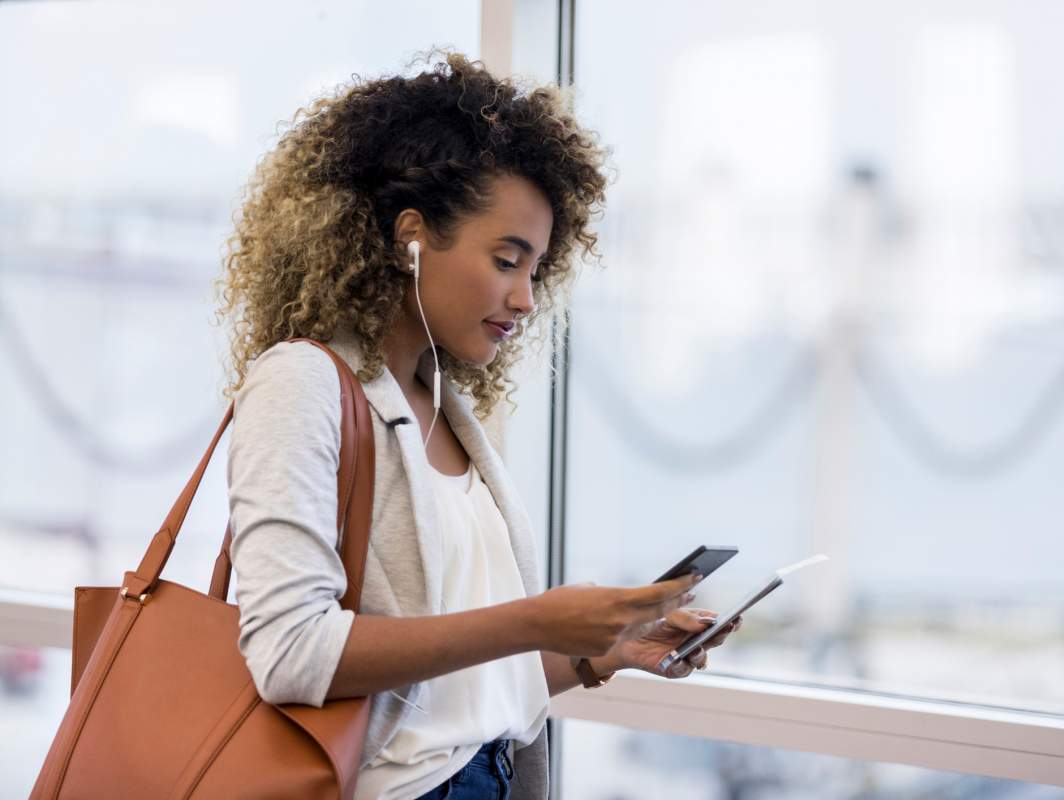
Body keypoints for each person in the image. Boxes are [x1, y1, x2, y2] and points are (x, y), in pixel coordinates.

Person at [216, 51, 742, 800]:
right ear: (411, 238)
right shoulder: (303, 382)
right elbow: (290, 651)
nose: (526, 299)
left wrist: (607, 651)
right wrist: (535, 620)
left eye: (537, 270)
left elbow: (452, 694)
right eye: (506, 260)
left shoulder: (444, 406)